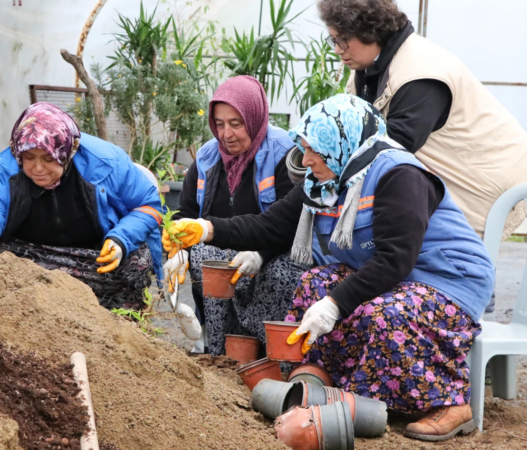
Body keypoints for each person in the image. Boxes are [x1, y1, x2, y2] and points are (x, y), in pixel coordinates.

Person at [163, 95, 495, 442]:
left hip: (448, 279)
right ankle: (322, 378)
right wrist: (208, 229)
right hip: (397, 278)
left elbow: (395, 259)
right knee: (311, 285)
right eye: (304, 149)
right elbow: (269, 226)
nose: (306, 160)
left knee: (384, 315)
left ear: (342, 144)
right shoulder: (323, 183)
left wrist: (334, 305)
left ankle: (448, 400)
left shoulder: (400, 175)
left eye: (315, 151)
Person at [317, 0, 527, 314]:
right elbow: (348, 132)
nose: (337, 49)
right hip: (455, 172)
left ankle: (467, 325)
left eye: (343, 39)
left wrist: (327, 161)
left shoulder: (420, 72)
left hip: (485, 178)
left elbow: (394, 143)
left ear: (371, 31)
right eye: (333, 39)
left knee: (458, 260)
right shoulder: (369, 68)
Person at [0, 103, 163, 310]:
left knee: (137, 262)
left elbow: (149, 206)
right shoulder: (11, 171)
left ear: (66, 153)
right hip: (34, 257)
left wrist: (120, 239)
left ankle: (122, 325)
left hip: (93, 257)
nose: (38, 168)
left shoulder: (107, 163)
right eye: (29, 157)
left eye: (48, 159)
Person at [164, 76, 315, 355]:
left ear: (255, 118)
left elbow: (291, 223)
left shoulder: (285, 154)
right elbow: (185, 213)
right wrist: (178, 251)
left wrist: (260, 254)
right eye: (219, 124)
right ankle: (221, 352)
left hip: (274, 249)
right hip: (225, 245)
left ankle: (269, 353)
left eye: (236, 123)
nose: (226, 134)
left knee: (280, 274)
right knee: (203, 260)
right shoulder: (208, 158)